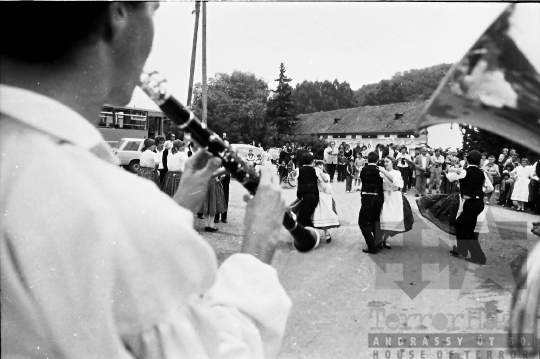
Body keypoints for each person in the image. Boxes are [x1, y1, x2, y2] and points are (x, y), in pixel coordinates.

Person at [0, 3, 292, 357]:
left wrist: (175, 208)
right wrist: (256, 251)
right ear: (117, 13)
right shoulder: (115, 206)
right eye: (152, 9)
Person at [378, 156, 414, 249]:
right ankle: (380, 239)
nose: (385, 163)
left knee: (392, 219)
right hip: (384, 195)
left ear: (392, 163)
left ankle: (386, 239)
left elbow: (394, 181)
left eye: (387, 161)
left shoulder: (396, 172)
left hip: (394, 196)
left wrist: (384, 173)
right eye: (384, 162)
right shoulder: (381, 173)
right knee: (383, 217)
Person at [358, 152, 384, 254]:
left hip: (367, 197)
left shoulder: (363, 170)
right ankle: (378, 242)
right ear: (377, 160)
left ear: (367, 159)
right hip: (378, 197)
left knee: (363, 222)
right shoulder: (380, 170)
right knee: (375, 220)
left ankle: (371, 246)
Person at [312, 160, 340, 243]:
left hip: (325, 197)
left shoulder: (325, 174)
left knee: (325, 214)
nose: (320, 166)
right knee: (315, 215)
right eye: (318, 165)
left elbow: (326, 182)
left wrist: (320, 173)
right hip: (317, 195)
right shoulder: (314, 174)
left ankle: (326, 233)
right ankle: (315, 234)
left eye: (321, 165)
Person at [296, 153, 320, 229]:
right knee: (307, 216)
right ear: (312, 161)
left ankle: (310, 235)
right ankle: (311, 232)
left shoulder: (298, 170)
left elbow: (293, 179)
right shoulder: (316, 170)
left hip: (305, 197)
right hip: (315, 196)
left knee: (301, 218)